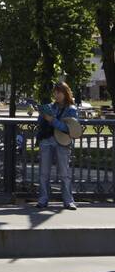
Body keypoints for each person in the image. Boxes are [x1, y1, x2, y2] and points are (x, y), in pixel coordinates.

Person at [36, 81, 79, 210]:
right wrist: (42, 116)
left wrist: (52, 120)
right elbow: (40, 123)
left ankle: (68, 201)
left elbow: (69, 129)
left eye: (59, 92)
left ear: (65, 93)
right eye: (55, 92)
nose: (57, 94)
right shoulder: (50, 106)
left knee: (64, 173)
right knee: (44, 173)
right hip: (46, 141)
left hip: (63, 142)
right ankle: (43, 200)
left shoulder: (71, 109)